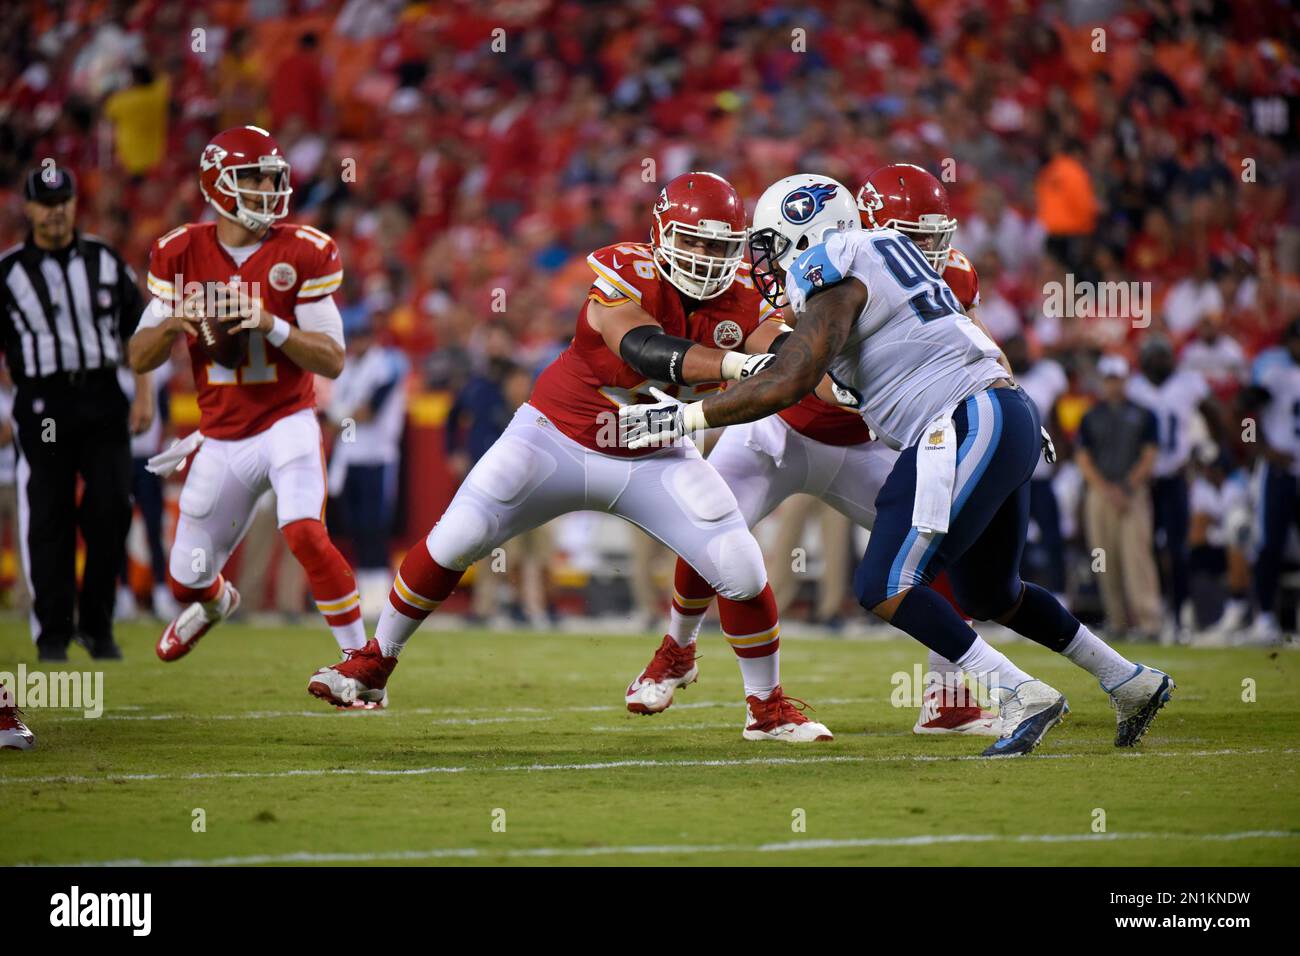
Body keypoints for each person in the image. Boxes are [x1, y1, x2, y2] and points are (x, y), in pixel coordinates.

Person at [620, 205, 1175, 756]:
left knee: (883, 583)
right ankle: (1130, 680)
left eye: (770, 242)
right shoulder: (885, 254)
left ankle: (1020, 694)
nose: (762, 260)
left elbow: (791, 379)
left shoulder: (832, 266)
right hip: (997, 413)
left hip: (959, 421)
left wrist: (684, 418)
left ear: (808, 232)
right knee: (990, 592)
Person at [309, 171, 833, 742]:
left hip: (654, 452)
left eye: (719, 246)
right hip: (553, 437)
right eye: (694, 241)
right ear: (662, 233)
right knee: (456, 537)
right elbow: (643, 347)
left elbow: (782, 349)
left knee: (740, 566)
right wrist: (735, 367)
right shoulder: (626, 270)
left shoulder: (745, 296)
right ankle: (376, 661)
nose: (707, 258)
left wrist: (807, 360)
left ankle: (765, 710)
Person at [626, 167, 999, 738]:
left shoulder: (950, 273)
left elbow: (977, 343)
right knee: (710, 529)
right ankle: (677, 648)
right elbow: (788, 352)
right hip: (778, 428)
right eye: (905, 234)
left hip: (861, 445)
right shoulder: (817, 263)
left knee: (946, 538)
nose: (921, 250)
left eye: (931, 238)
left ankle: (948, 697)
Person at [127, 125, 368, 680]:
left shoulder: (303, 251)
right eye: (253, 178)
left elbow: (331, 359)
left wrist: (270, 324)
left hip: (287, 418)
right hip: (220, 435)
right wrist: (171, 326)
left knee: (305, 529)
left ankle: (363, 665)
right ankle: (216, 603)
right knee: (184, 578)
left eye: (272, 178)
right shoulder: (179, 251)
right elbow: (138, 357)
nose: (267, 189)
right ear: (218, 183)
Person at [0, 167, 153, 661]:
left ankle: (98, 623)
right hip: (44, 404)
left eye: (64, 199)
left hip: (104, 396)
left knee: (111, 508)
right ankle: (53, 631)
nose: (56, 209)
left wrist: (145, 392)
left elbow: (140, 329)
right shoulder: (9, 272)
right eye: (46, 202)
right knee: (50, 513)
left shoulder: (105, 260)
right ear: (28, 208)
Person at [1127, 334, 1218, 640]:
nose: (1159, 363)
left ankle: (1181, 612)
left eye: (1163, 356)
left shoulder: (1188, 383)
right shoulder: (1135, 387)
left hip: (1176, 475)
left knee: (1177, 548)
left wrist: (1209, 453)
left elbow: (1213, 413)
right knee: (1147, 548)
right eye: (1154, 358)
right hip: (1145, 480)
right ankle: (1157, 612)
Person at [325, 310, 409, 617]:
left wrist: (338, 418)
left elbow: (369, 411)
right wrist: (340, 417)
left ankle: (380, 594)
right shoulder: (347, 368)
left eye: (361, 336)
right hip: (350, 458)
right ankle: (365, 590)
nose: (356, 342)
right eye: (353, 337)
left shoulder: (385, 365)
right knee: (356, 528)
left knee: (375, 527)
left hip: (377, 457)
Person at [1076, 356, 1164, 638]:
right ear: (1103, 382)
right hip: (1101, 493)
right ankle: (1117, 621)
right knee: (1105, 557)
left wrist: (1127, 486)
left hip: (1133, 493)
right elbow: (1084, 458)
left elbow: (1149, 456)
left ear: (1126, 380)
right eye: (1109, 379)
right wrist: (1106, 489)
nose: (1114, 385)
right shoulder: (1090, 415)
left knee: (1136, 557)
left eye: (1118, 379)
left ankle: (1149, 622)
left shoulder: (1144, 414)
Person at [1242, 318, 1300, 644]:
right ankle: (1264, 617)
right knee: (1270, 544)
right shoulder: (1275, 374)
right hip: (1279, 473)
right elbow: (1246, 409)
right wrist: (1265, 449)